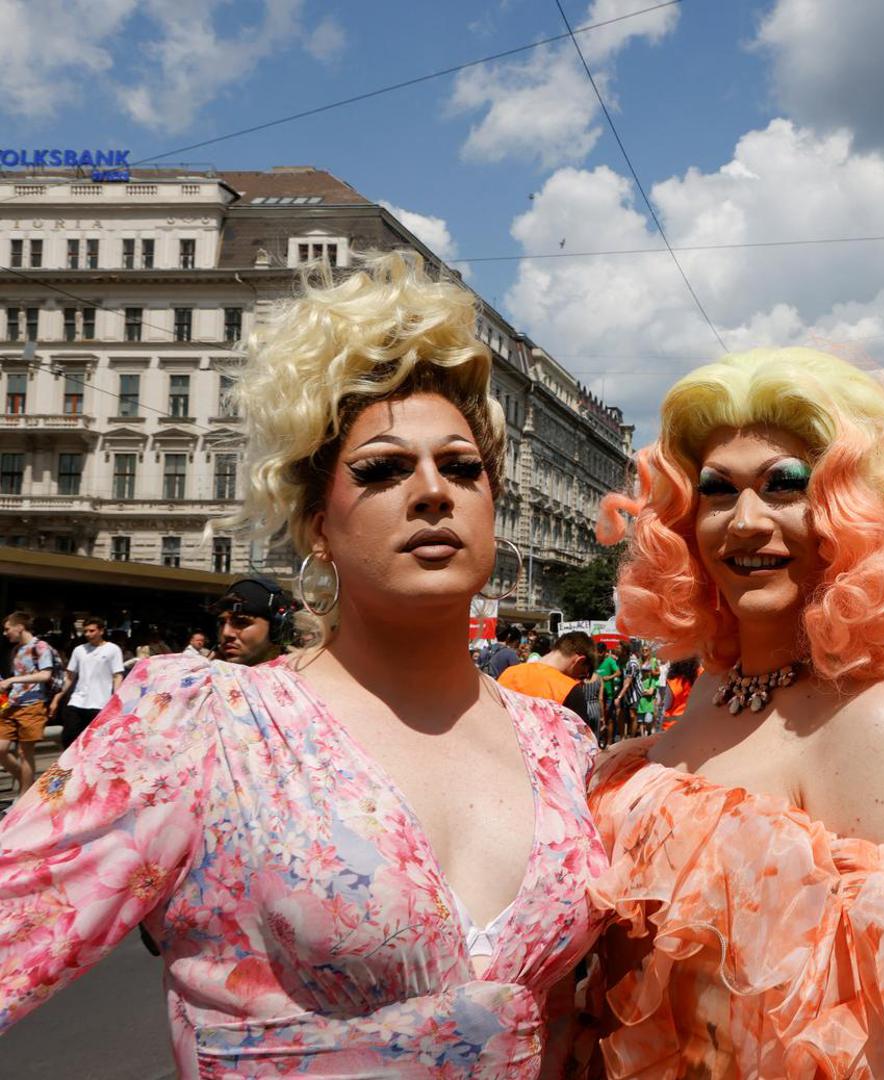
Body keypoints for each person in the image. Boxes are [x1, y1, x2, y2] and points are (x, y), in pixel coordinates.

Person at [0, 251, 607, 1075]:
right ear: (318, 522)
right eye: (384, 469)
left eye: (462, 468)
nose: (433, 490)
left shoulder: (559, 743)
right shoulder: (203, 723)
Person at [583, 347, 884, 1076]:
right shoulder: (708, 690)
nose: (745, 523)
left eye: (784, 486)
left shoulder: (882, 720)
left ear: (853, 511)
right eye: (718, 492)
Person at [0, 613, 57, 798]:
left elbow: (45, 675)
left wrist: (13, 680)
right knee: (1, 749)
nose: (5, 633)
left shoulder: (40, 647)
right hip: (13, 704)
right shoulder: (16, 650)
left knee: (26, 754)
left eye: (8, 629)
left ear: (20, 627)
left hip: (32, 705)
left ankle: (24, 796)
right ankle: (30, 786)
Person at [50, 616, 125, 748]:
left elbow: (117, 675)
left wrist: (116, 699)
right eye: (86, 631)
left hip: (100, 704)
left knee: (95, 743)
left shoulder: (113, 649)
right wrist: (57, 698)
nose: (88, 634)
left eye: (92, 631)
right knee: (69, 738)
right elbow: (69, 677)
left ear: (101, 631)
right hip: (77, 701)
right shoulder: (79, 650)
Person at [498, 629, 597, 715]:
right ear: (580, 661)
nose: (582, 683)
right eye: (582, 675)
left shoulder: (508, 673)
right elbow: (582, 735)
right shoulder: (570, 690)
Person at [212, 576, 296, 666]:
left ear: (276, 630)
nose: (226, 633)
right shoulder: (207, 674)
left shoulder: (294, 678)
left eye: (241, 623)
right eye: (222, 623)